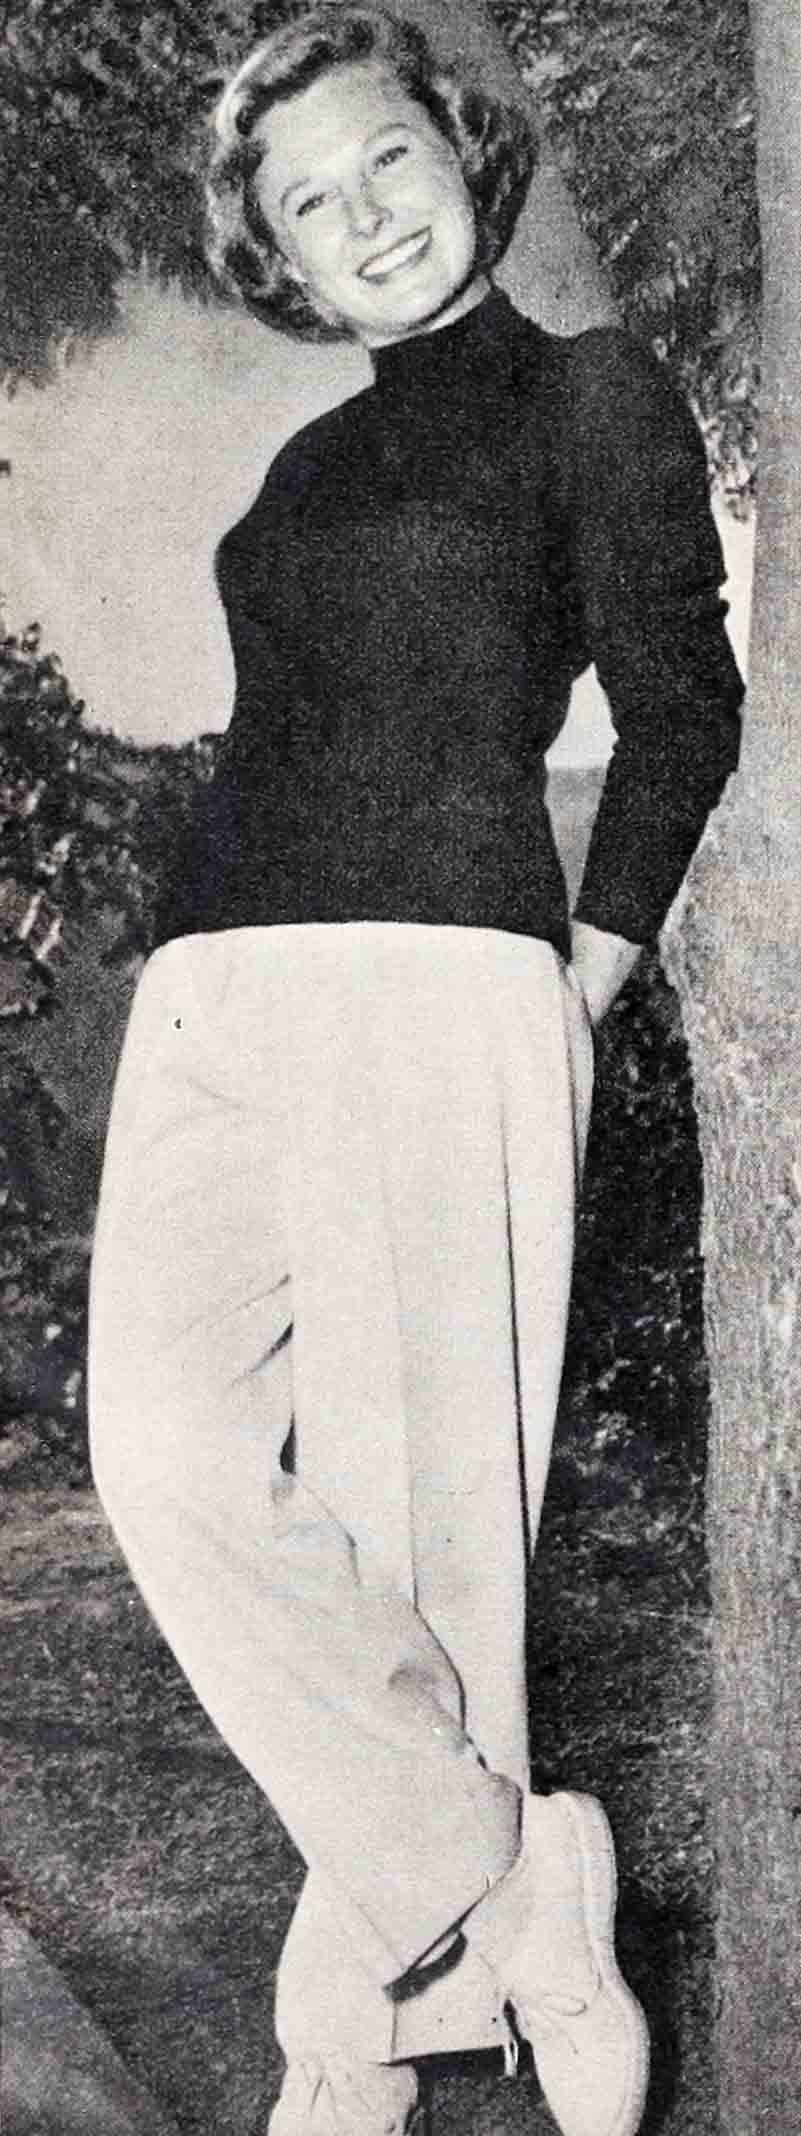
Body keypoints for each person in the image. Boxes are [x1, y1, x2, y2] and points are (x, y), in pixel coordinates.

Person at [88, 7, 744, 2134]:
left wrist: (576, 981)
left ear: (461, 151)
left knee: (425, 1534)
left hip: (431, 967)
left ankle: (355, 2043)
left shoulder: (588, 394)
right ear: (273, 255)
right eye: (305, 202)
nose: (358, 215)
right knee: (165, 1456)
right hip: (217, 982)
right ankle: (510, 1883)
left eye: (384, 158)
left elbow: (679, 704)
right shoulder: (303, 467)